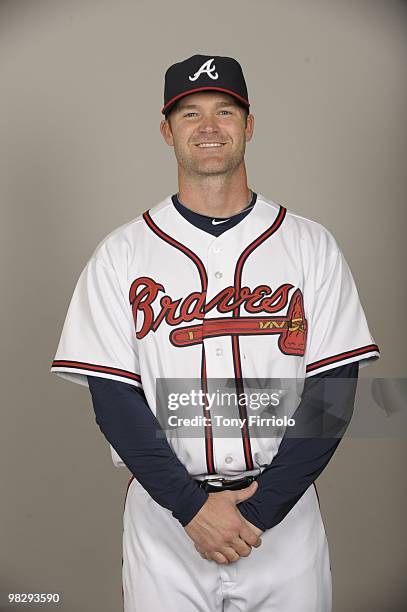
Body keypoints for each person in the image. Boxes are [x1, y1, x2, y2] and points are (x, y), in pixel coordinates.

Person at [50, 54, 380, 612]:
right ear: (167, 131)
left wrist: (258, 512)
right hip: (166, 519)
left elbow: (335, 391)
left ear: (248, 126)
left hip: (283, 516)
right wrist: (192, 510)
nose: (209, 127)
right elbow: (113, 398)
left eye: (226, 111)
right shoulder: (122, 254)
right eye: (190, 114)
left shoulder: (309, 245)